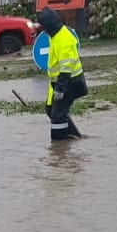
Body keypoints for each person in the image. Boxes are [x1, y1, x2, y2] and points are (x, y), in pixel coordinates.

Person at [38, 8, 88, 141]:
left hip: (70, 83)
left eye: (44, 28)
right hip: (61, 83)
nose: (43, 31)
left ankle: (59, 146)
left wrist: (60, 88)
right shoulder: (56, 35)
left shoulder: (64, 37)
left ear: (49, 26)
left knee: (58, 115)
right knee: (51, 109)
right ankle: (74, 136)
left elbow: (66, 67)